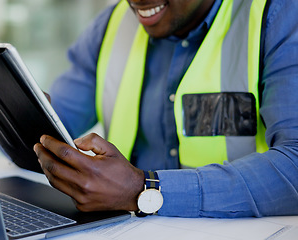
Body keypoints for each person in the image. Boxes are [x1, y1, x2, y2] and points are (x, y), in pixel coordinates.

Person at [33, 0, 298, 218]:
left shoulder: (276, 15)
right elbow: (53, 128)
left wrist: (143, 189)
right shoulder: (111, 24)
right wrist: (17, 110)